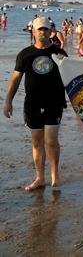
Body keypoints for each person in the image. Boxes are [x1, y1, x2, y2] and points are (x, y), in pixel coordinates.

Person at [3, 17, 68, 191]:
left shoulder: (59, 53)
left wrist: (64, 63)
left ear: (50, 31)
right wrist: (8, 101)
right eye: (39, 29)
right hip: (32, 103)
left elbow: (74, 77)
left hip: (54, 103)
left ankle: (55, 176)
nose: (42, 32)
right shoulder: (25, 54)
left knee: (51, 140)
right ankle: (40, 178)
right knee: (37, 142)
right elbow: (16, 78)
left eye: (46, 29)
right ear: (33, 31)